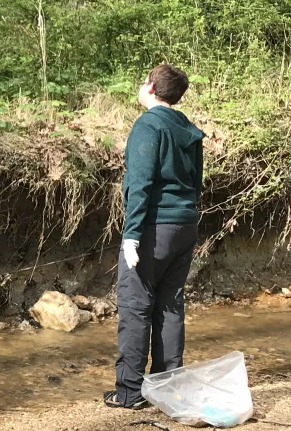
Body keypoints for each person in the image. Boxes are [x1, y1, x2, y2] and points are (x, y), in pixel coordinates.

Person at [104, 64, 205, 409]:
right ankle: (166, 389)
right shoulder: (187, 128)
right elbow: (196, 184)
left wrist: (131, 236)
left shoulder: (148, 124)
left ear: (150, 87)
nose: (140, 84)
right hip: (184, 226)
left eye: (143, 80)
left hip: (153, 229)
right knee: (170, 306)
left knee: (135, 307)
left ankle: (130, 392)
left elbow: (141, 183)